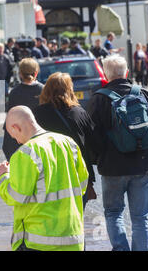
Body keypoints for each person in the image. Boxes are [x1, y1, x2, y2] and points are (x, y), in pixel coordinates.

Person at [87, 55, 148, 251]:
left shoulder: (98, 99)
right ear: (127, 73)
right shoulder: (144, 95)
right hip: (143, 165)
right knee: (141, 219)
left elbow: (90, 137)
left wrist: (99, 160)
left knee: (114, 213)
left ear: (105, 75)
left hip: (112, 168)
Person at [0, 106, 88, 251]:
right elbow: (82, 184)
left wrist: (4, 176)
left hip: (39, 241)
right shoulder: (68, 142)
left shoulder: (25, 153)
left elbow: (16, 196)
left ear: (16, 127)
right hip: (73, 238)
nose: (18, 141)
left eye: (13, 136)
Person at [33, 72, 97, 208]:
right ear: (70, 89)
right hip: (78, 173)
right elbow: (94, 143)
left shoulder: (37, 114)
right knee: (77, 217)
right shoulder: (79, 113)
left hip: (49, 174)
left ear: (47, 89)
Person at [2, 58, 43, 161]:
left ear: (20, 74)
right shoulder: (44, 90)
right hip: (40, 143)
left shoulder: (14, 92)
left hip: (19, 144)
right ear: (36, 73)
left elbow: (10, 118)